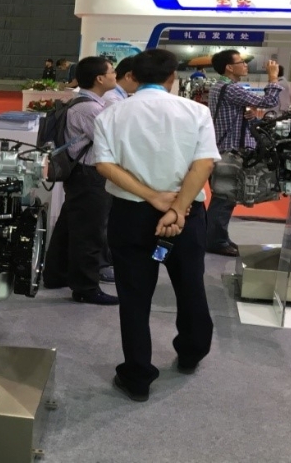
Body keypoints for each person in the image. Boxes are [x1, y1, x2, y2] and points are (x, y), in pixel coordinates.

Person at [94, 48, 219, 402]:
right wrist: (177, 208)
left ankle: (137, 376)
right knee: (190, 285)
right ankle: (191, 353)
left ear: (133, 76)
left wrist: (152, 197)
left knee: (134, 296)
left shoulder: (111, 114)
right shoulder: (195, 111)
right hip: (186, 213)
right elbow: (204, 164)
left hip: (131, 213)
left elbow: (104, 165)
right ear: (172, 77)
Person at [42, 56, 121, 305]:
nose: (115, 75)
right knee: (89, 232)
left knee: (70, 226)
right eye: (111, 71)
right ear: (100, 78)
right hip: (90, 176)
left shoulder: (84, 103)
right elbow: (111, 142)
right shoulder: (91, 109)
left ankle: (56, 275)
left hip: (82, 174)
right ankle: (86, 288)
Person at [206, 50, 282, 257]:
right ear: (230, 67)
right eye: (241, 62)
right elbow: (268, 101)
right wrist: (273, 77)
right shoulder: (231, 88)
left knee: (226, 197)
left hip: (224, 148)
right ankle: (215, 241)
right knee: (224, 198)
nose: (245, 65)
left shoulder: (222, 86)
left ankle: (217, 237)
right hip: (229, 151)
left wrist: (246, 115)